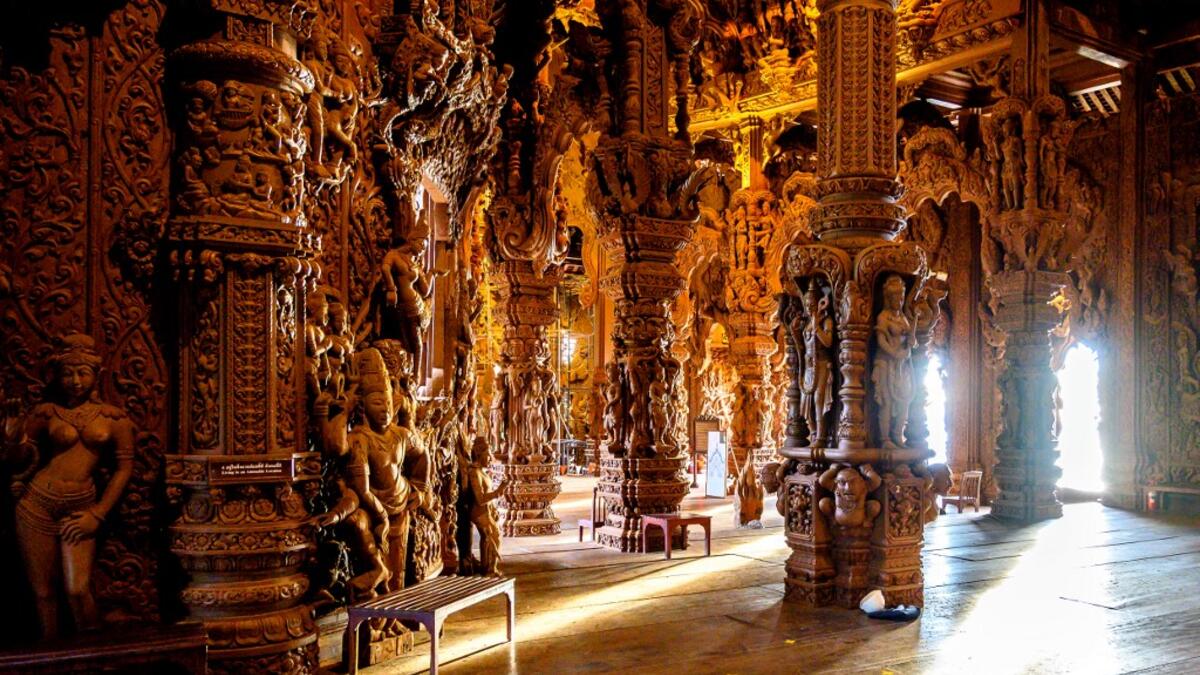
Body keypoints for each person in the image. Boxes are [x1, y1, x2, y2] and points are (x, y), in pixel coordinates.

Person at [2, 334, 135, 639]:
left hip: (81, 506)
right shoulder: (45, 412)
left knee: (77, 589)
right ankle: (52, 657)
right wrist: (13, 435)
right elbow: (22, 459)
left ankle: (91, 656)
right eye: (67, 373)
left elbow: (123, 469)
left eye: (82, 373)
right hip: (36, 503)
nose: (75, 380)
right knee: (44, 593)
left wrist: (98, 514)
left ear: (96, 376)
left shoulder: (113, 418)